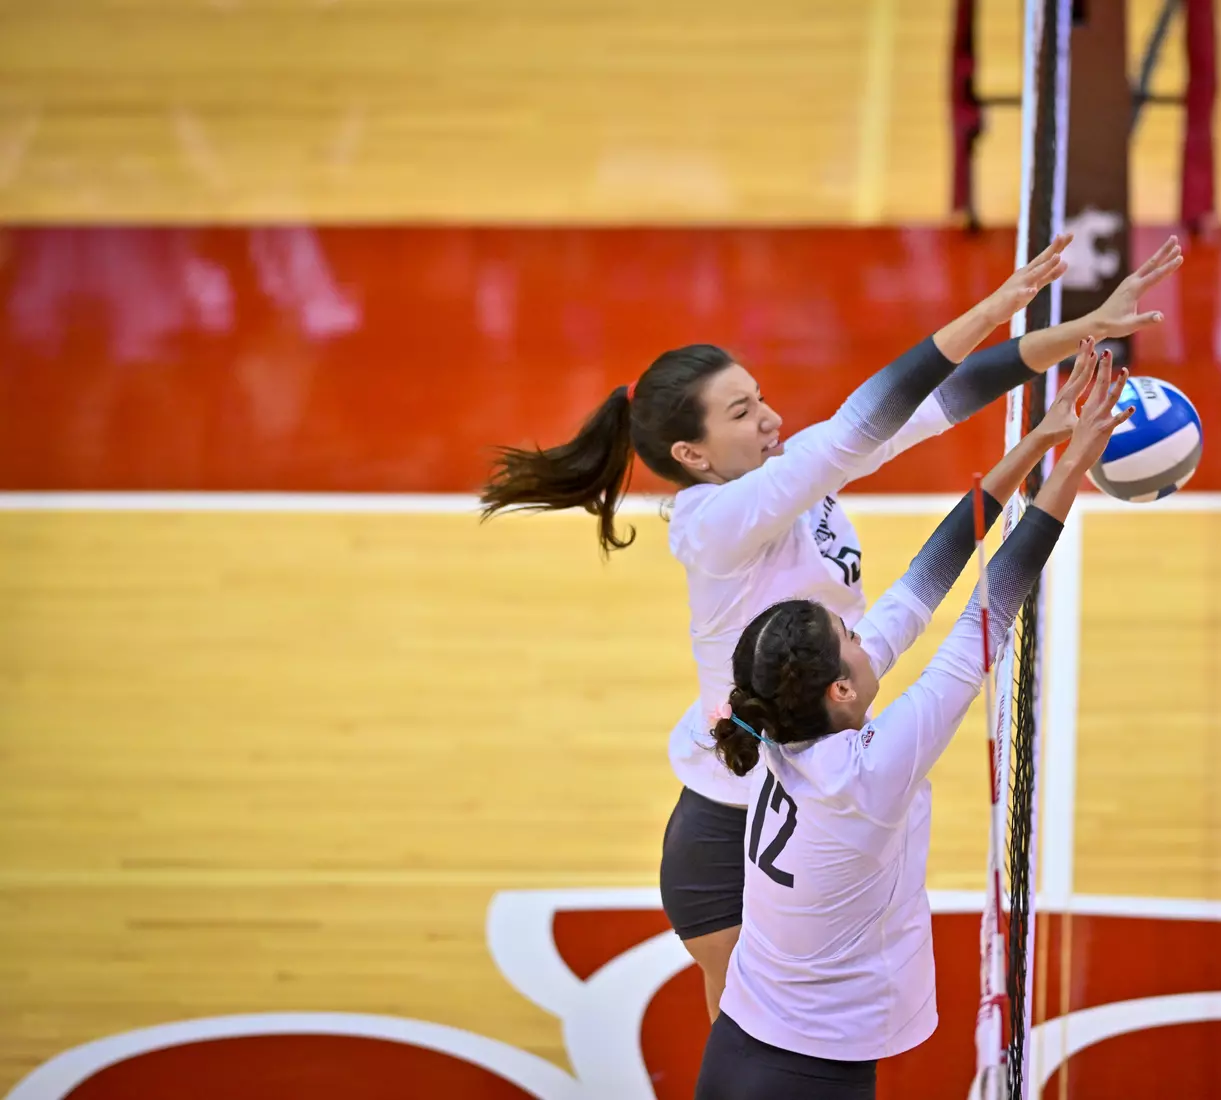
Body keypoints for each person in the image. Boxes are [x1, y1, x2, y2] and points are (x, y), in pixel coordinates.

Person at [479, 236, 1183, 1018]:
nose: (771, 418)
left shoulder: (787, 479)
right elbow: (862, 422)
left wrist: (1082, 330)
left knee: (804, 1029)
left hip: (810, 793)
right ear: (692, 454)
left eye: (759, 397)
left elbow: (936, 404)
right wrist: (995, 306)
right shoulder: (715, 522)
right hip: (729, 823)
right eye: (742, 412)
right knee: (752, 1037)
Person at [694, 339, 1132, 1099]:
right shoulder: (864, 773)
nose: (867, 637)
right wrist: (1071, 470)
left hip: (741, 1043)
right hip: (806, 1075)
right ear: (840, 689)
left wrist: (1039, 441)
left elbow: (921, 586)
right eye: (852, 638)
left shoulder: (785, 732)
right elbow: (981, 625)